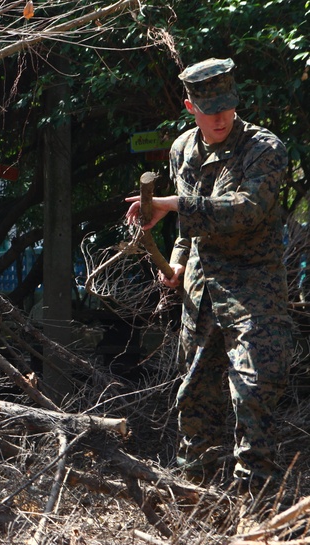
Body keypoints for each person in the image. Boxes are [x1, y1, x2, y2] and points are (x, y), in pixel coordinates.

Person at [126, 58, 291, 489]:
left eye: (227, 105)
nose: (220, 116)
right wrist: (178, 260)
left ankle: (255, 511)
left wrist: (170, 205)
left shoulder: (264, 148)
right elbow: (187, 230)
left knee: (253, 396)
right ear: (189, 106)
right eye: (209, 108)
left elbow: (247, 211)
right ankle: (197, 501)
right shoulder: (182, 149)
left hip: (255, 293)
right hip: (201, 297)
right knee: (194, 401)